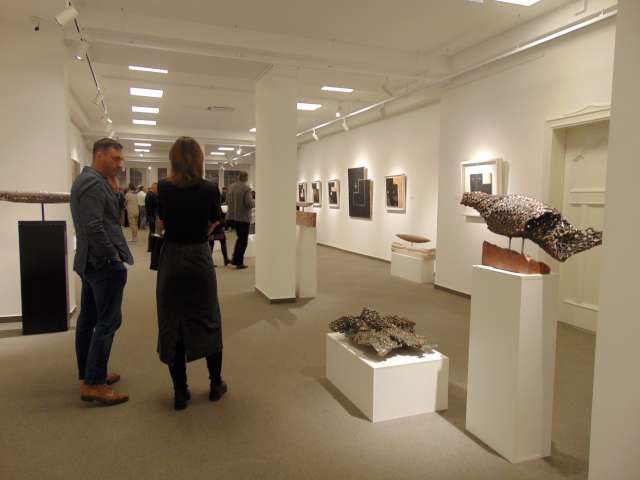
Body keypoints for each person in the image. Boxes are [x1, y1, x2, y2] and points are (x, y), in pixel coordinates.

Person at [156, 136, 227, 410]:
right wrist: (204, 230)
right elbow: (216, 219)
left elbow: (163, 220)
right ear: (199, 159)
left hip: (172, 257)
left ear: (173, 159)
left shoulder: (163, 187)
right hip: (199, 257)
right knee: (209, 319)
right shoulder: (209, 189)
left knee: (172, 322)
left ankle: (180, 391)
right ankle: (215, 384)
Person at [69, 138, 133, 406]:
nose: (120, 164)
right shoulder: (93, 183)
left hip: (90, 262)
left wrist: (115, 190)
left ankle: (90, 373)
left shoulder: (92, 180)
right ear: (99, 156)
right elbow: (95, 226)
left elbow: (107, 216)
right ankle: (94, 383)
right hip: (101, 264)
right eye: (115, 158)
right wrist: (112, 256)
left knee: (89, 319)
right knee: (107, 322)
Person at [226, 171, 254, 269]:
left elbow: (227, 201)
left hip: (232, 217)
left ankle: (235, 259)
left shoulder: (231, 187)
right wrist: (254, 202)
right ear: (246, 178)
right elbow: (249, 203)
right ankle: (239, 262)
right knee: (243, 241)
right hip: (243, 218)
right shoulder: (246, 189)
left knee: (239, 238)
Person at [208, 183, 230, 267]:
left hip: (211, 225)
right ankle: (225, 259)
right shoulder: (217, 199)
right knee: (222, 241)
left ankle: (210, 261)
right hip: (217, 223)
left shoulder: (208, 199)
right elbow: (218, 213)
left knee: (211, 243)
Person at [145, 183, 159, 252]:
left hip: (150, 215)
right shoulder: (152, 195)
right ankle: (151, 247)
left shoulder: (149, 194)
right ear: (154, 188)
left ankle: (151, 247)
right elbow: (157, 203)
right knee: (153, 231)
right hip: (152, 216)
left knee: (152, 231)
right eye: (157, 189)